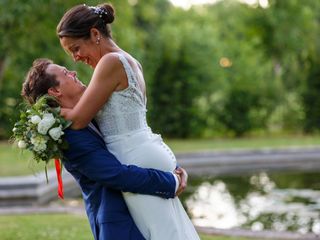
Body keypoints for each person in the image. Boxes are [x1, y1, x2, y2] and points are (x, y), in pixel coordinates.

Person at [56, 3, 200, 240]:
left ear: (94, 34)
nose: (76, 58)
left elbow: (80, 119)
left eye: (76, 48)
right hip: (145, 151)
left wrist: (48, 114)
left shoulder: (110, 62)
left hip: (135, 157)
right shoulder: (129, 61)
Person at [21, 58, 188, 240]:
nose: (74, 72)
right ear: (55, 91)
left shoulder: (89, 115)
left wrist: (173, 167)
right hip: (120, 225)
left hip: (143, 208)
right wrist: (170, 182)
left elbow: (132, 140)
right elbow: (116, 175)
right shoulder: (70, 137)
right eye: (66, 73)